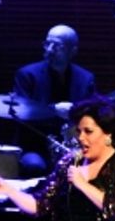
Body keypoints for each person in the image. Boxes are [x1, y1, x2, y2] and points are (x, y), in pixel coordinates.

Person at [11, 24, 97, 176]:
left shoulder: (85, 79)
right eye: (47, 43)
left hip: (75, 145)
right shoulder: (27, 75)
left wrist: (76, 114)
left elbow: (94, 116)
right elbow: (21, 113)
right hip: (36, 145)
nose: (49, 49)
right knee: (34, 166)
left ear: (73, 51)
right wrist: (53, 110)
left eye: (57, 46)